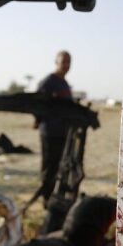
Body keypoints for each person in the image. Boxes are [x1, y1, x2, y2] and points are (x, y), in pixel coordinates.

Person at [35, 50, 73, 204]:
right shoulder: (48, 83)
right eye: (63, 61)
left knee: (60, 166)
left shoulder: (64, 83)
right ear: (56, 62)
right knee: (49, 167)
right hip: (50, 132)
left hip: (64, 132)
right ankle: (46, 199)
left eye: (68, 62)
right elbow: (38, 105)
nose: (66, 65)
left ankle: (56, 197)